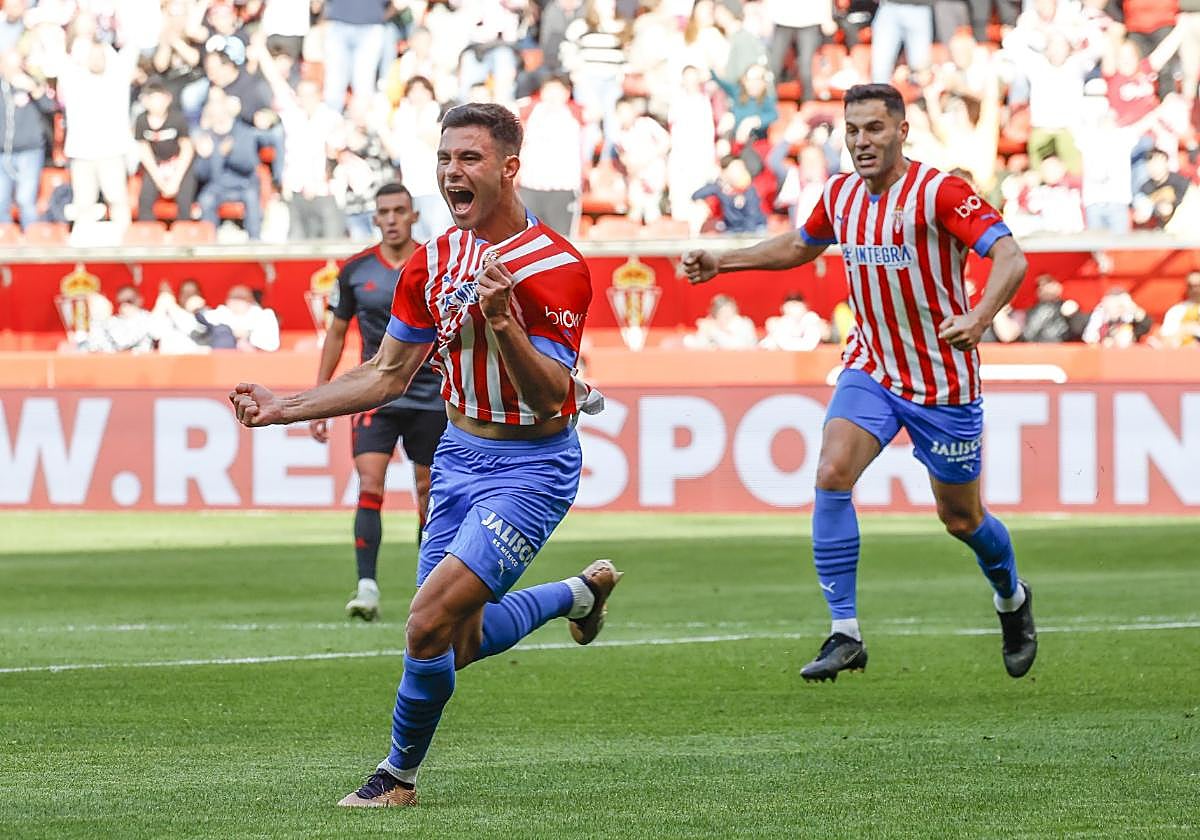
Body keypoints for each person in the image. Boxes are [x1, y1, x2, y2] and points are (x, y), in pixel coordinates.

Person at [229, 103, 620, 806]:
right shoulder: (432, 263)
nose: (451, 173)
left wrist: (503, 323)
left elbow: (549, 398)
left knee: (424, 622)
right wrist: (284, 407)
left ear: (509, 169)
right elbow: (386, 375)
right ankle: (578, 593)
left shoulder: (558, 267)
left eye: (468, 159)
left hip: (531, 469)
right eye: (444, 159)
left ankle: (396, 777)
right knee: (453, 642)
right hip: (459, 458)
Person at [682, 83, 1037, 683]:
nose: (861, 141)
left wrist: (979, 317)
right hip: (871, 364)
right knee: (830, 473)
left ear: (902, 131)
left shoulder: (939, 191)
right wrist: (725, 262)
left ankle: (1011, 598)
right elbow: (800, 244)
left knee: (962, 519)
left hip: (941, 378)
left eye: (874, 128)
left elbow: (1011, 258)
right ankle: (845, 632)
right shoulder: (841, 194)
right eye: (852, 130)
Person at [310, 183, 447, 621]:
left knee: (428, 493)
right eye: (383, 211)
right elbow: (336, 332)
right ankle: (366, 587)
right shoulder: (355, 271)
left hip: (430, 396)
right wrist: (320, 394)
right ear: (374, 218)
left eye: (399, 211)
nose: (391, 218)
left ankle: (428, 586)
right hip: (374, 394)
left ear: (413, 217)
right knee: (370, 485)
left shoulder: (436, 264)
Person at [1160, 271, 1200, 348]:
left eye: (1198, 285)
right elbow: (1166, 341)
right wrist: (1185, 330)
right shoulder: (1176, 310)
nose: (1195, 290)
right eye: (1191, 286)